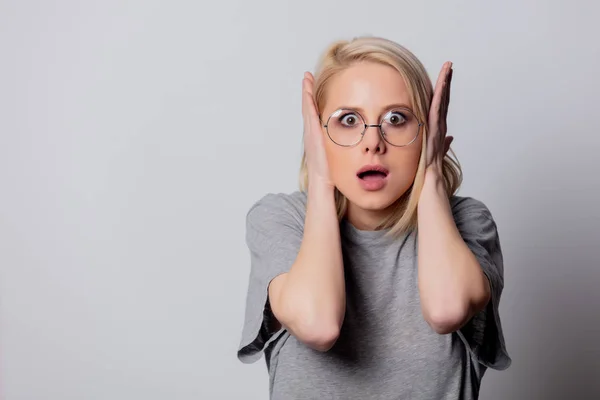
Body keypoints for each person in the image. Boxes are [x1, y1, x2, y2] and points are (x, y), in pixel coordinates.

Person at [237, 36, 511, 400]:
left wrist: (430, 175)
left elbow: (447, 310)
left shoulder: (467, 221)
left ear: (428, 131)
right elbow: (318, 325)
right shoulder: (280, 219)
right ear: (319, 136)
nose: (373, 142)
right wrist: (320, 179)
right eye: (348, 120)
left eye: (396, 119)